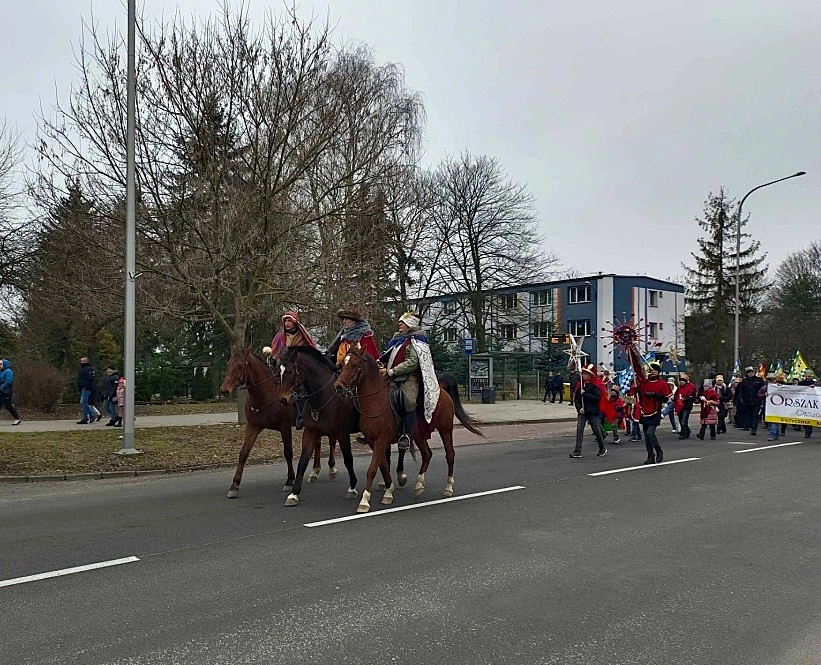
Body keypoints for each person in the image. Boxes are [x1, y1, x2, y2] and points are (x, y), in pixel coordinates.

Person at [381, 312, 436, 452]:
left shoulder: (417, 341)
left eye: (402, 322)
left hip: (409, 379)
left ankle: (406, 434)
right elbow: (388, 356)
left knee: (409, 401)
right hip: (391, 378)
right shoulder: (397, 340)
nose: (399, 324)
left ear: (410, 325)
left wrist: (393, 371)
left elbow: (412, 362)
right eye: (400, 322)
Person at [266, 311, 317, 429]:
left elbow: (309, 350)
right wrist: (273, 359)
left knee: (303, 389)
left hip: (299, 367)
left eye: (289, 321)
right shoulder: (280, 336)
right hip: (283, 367)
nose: (287, 324)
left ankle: (301, 416)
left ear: (295, 322)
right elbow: (276, 351)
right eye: (285, 321)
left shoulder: (302, 335)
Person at [569, 364, 615, 458]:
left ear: (590, 375)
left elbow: (597, 398)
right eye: (583, 374)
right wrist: (579, 408)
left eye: (586, 374)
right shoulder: (580, 385)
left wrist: (585, 394)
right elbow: (577, 399)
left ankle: (602, 448)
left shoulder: (595, 385)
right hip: (582, 411)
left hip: (593, 411)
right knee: (579, 429)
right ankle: (578, 450)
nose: (583, 376)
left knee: (596, 430)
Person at [636, 360, 673, 464]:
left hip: (655, 411)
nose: (653, 372)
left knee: (650, 433)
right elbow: (638, 394)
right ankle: (650, 455)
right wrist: (635, 391)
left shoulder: (662, 384)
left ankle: (658, 451)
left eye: (655, 370)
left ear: (658, 372)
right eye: (651, 370)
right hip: (645, 411)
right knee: (646, 436)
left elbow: (665, 399)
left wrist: (654, 394)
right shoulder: (644, 383)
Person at [736, 366, 765, 435]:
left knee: (755, 415)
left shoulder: (759, 380)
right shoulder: (744, 381)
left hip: (756, 401)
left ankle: (754, 429)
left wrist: (762, 397)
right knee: (748, 414)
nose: (750, 374)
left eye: (752, 372)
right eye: (749, 373)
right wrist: (741, 398)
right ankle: (747, 425)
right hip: (747, 401)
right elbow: (741, 390)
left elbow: (763, 389)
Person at [674, 374, 696, 439]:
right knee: (681, 421)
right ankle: (687, 430)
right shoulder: (679, 388)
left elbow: (693, 397)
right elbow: (676, 396)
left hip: (686, 406)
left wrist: (686, 399)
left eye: (683, 380)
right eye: (680, 380)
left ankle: (684, 434)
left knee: (683, 421)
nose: (681, 382)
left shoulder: (691, 388)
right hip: (679, 406)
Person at [0, 358, 21, 425]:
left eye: (1, 364)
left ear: (5, 364)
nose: (0, 365)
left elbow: (8, 381)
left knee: (8, 406)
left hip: (6, 392)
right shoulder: (1, 371)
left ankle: (17, 418)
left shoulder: (8, 371)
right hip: (1, 392)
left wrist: (2, 387)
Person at [76, 357, 97, 425]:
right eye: (81, 361)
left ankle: (87, 417)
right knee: (84, 402)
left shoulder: (88, 369)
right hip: (84, 387)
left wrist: (88, 387)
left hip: (86, 388)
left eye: (83, 361)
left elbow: (91, 379)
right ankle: (89, 416)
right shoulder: (83, 369)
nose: (82, 362)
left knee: (83, 402)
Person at [797, 370, 816, 438]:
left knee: (809, 416)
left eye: (809, 376)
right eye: (806, 376)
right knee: (802, 416)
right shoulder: (801, 383)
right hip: (802, 401)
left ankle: (808, 431)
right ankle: (805, 428)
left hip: (812, 402)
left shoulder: (814, 383)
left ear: (811, 376)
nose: (807, 377)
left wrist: (814, 387)